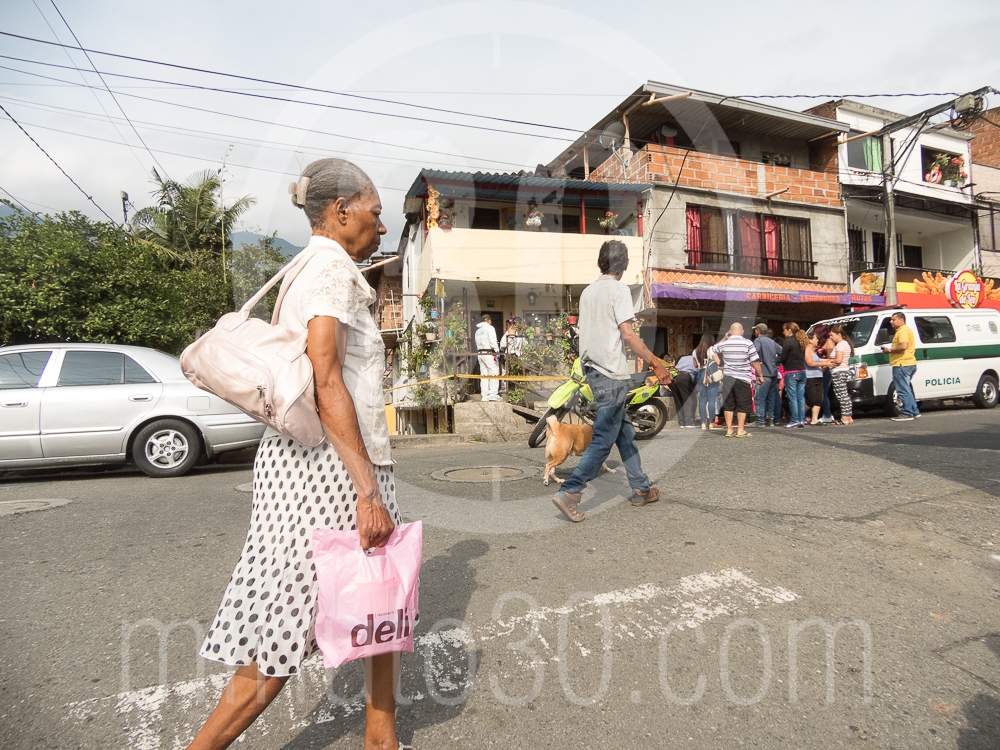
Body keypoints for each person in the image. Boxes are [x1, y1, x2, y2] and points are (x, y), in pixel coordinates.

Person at [187, 159, 408, 750]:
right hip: (331, 470)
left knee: (379, 594)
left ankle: (381, 736)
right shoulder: (332, 269)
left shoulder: (305, 265)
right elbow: (326, 378)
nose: (382, 226)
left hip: (326, 461)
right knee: (286, 622)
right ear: (341, 212)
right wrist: (367, 490)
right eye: (376, 213)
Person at [551, 240, 671, 523]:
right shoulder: (618, 290)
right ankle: (570, 491)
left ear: (599, 263)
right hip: (610, 374)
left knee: (624, 432)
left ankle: (641, 488)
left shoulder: (588, 292)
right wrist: (656, 363)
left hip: (593, 371)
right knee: (604, 437)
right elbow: (627, 334)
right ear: (624, 265)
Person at [711, 323, 764, 438]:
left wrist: (725, 338)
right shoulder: (748, 343)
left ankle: (729, 429)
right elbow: (755, 361)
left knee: (728, 403)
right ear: (742, 331)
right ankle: (740, 430)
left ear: (730, 331)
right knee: (742, 403)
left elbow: (712, 350)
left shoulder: (725, 343)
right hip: (743, 378)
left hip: (728, 377)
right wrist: (760, 375)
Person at [882, 311, 920, 421]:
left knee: (902, 390)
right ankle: (914, 411)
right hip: (908, 363)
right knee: (906, 389)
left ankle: (907, 413)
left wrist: (890, 350)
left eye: (893, 320)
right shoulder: (904, 330)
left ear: (901, 320)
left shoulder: (902, 330)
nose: (891, 322)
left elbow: (903, 346)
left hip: (902, 363)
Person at [752, 323, 781, 427]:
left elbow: (754, 353)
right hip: (773, 373)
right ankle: (770, 419)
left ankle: (760, 420)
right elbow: (782, 352)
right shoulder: (772, 342)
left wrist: (759, 361)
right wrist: (776, 362)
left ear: (758, 331)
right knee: (771, 397)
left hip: (763, 373)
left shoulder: (758, 340)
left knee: (760, 397)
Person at [780, 322, 808, 428]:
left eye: (784, 330)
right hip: (802, 371)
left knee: (792, 397)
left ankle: (794, 420)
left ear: (789, 330)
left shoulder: (788, 341)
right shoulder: (802, 341)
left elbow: (783, 357)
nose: (783, 332)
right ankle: (801, 420)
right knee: (801, 397)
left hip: (791, 371)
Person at [693, 333, 723, 431]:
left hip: (700, 374)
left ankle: (703, 423)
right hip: (710, 375)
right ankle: (711, 423)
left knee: (702, 399)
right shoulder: (711, 350)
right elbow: (718, 362)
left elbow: (695, 365)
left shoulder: (695, 351)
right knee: (712, 400)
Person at [828, 324, 855, 425]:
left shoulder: (840, 345)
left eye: (832, 335)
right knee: (844, 394)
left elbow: (839, 360)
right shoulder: (845, 344)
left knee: (841, 395)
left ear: (838, 335)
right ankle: (848, 416)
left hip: (839, 372)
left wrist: (830, 361)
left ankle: (844, 418)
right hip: (844, 371)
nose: (831, 337)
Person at [804, 331, 830, 425]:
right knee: (811, 399)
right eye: (815, 338)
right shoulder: (806, 350)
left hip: (818, 376)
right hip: (810, 377)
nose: (817, 340)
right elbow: (810, 363)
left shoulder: (813, 351)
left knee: (819, 399)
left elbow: (819, 360)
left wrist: (830, 361)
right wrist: (825, 363)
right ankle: (800, 414)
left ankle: (814, 419)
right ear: (810, 340)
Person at [475, 313, 501, 402]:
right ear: (489, 320)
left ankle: (484, 396)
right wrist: (497, 351)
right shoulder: (490, 328)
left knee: (484, 374)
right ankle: (493, 394)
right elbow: (493, 341)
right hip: (488, 352)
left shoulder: (478, 331)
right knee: (494, 371)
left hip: (480, 353)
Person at [671, 349, 700, 428]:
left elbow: (676, 368)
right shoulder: (697, 359)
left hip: (674, 377)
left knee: (678, 400)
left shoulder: (683, 358)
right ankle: (689, 422)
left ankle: (681, 422)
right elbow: (698, 375)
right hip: (685, 378)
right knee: (689, 399)